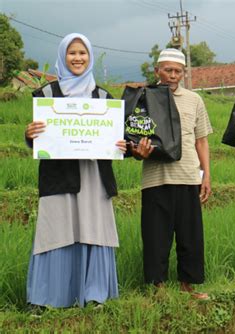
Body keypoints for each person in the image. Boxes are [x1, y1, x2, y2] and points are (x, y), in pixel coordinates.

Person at [24, 33, 126, 308]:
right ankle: (46, 298)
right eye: (72, 53)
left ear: (90, 57)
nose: (77, 58)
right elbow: (37, 138)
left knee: (94, 227)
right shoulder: (46, 95)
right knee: (55, 228)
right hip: (58, 176)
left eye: (83, 53)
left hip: (94, 176)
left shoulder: (103, 97)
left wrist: (120, 143)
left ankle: (95, 295)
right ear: (62, 56)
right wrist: (30, 134)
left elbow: (115, 137)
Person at [129, 48, 212, 299]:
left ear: (183, 73)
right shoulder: (143, 98)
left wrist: (206, 175)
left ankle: (188, 286)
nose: (173, 75)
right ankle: (158, 289)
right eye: (168, 70)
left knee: (191, 235)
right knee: (156, 236)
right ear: (157, 71)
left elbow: (201, 141)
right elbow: (131, 139)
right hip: (156, 178)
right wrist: (137, 152)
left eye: (177, 71)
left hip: (188, 176)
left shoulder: (194, 100)